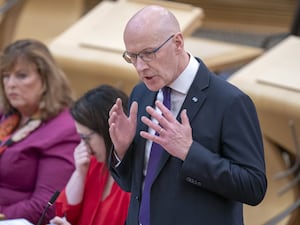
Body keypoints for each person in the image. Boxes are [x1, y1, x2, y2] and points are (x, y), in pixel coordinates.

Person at [108, 5, 267, 225]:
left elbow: (254, 187)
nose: (140, 66)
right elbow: (135, 186)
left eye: (148, 54)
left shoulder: (230, 102)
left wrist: (190, 152)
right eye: (132, 56)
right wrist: (122, 150)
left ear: (178, 43)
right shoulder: (141, 92)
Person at [0, 39, 80, 224]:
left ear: (46, 80)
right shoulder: (6, 115)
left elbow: (45, 205)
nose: (10, 84)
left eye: (21, 76)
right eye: (6, 75)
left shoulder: (65, 129)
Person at [49, 85, 130, 225]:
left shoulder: (135, 178)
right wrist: (80, 173)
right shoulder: (94, 163)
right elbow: (63, 214)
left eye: (86, 138)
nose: (83, 146)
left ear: (108, 131)